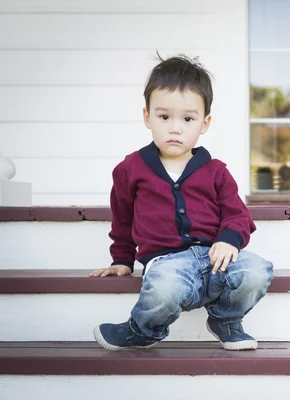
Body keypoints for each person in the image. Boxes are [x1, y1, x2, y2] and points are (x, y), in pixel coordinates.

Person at [90, 54, 274, 351]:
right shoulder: (130, 169)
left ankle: (226, 320)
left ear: (204, 123)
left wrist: (229, 240)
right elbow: (123, 219)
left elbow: (237, 215)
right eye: (164, 117)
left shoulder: (216, 171)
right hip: (167, 263)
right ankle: (144, 329)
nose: (175, 128)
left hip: (216, 259)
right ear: (147, 117)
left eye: (188, 119)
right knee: (164, 286)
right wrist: (122, 260)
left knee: (257, 270)